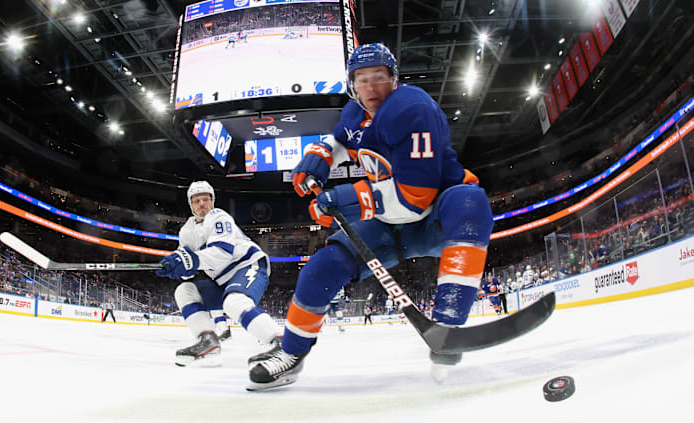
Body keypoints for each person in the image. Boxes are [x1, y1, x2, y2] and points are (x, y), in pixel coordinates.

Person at [248, 43, 493, 390]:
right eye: (361, 80)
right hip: (388, 222)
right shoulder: (353, 112)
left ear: (394, 79)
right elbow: (340, 139)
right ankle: (291, 354)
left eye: (378, 78)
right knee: (323, 266)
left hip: (435, 213)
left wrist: (348, 198)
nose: (370, 88)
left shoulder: (413, 109)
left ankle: (448, 326)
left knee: (471, 202)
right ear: (352, 85)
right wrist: (322, 154)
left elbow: (415, 198)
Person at [155, 181, 282, 367]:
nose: (201, 204)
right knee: (184, 290)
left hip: (246, 265)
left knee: (234, 303)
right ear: (191, 205)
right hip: (221, 280)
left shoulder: (219, 216)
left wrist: (189, 262)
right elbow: (189, 271)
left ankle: (280, 343)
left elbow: (222, 252)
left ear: (212, 201)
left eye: (205, 199)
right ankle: (207, 341)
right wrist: (175, 268)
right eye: (196, 200)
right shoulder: (186, 231)